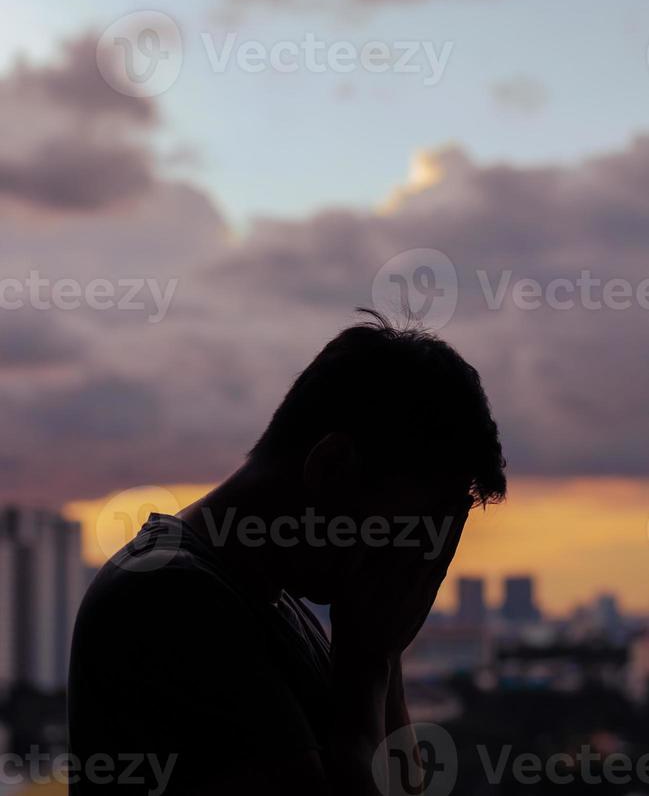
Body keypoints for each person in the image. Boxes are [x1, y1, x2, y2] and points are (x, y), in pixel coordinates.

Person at [68, 310, 506, 795]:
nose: (412, 561)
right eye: (408, 532)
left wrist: (384, 659)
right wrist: (365, 667)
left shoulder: (276, 603)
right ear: (331, 467)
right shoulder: (171, 600)